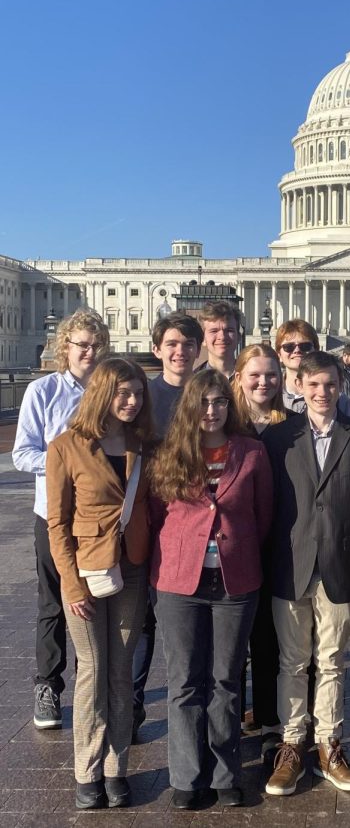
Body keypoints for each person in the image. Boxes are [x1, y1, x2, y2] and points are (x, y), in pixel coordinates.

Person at [262, 351, 350, 796]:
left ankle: (328, 744)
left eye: (329, 384)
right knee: (291, 661)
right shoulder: (278, 439)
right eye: (313, 384)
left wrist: (346, 543)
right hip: (289, 564)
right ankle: (293, 744)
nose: (321, 392)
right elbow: (269, 505)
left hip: (338, 564)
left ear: (340, 385)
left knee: (332, 660)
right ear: (298, 385)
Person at [150, 371, 272, 810]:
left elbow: (262, 517)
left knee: (225, 681)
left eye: (220, 401)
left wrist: (234, 550)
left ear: (229, 405)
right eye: (203, 401)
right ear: (190, 406)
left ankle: (225, 774)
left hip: (235, 580)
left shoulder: (253, 452)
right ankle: (187, 776)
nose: (212, 410)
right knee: (184, 681)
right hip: (179, 581)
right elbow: (156, 512)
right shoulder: (170, 452)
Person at [46, 357, 154, 810]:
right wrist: (69, 587)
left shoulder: (143, 445)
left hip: (131, 569)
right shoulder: (66, 447)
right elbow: (58, 524)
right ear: (102, 394)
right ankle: (86, 770)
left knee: (121, 672)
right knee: (92, 670)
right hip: (86, 573)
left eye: (136, 394)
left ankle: (116, 769)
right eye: (122, 393)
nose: (131, 402)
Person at [12, 308, 109, 731]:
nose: (88, 352)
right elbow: (22, 452)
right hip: (52, 514)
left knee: (102, 599)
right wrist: (65, 466)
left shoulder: (109, 392)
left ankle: (100, 682)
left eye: (95, 345)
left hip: (100, 518)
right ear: (64, 347)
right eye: (81, 345)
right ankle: (48, 685)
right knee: (53, 601)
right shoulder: (42, 391)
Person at [131, 311, 204, 741]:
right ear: (157, 349)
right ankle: (133, 706)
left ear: (199, 350)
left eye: (188, 344)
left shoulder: (210, 393)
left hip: (193, 523)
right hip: (148, 519)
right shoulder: (141, 394)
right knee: (142, 621)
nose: (180, 352)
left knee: (187, 625)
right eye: (172, 344)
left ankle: (192, 712)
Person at [231, 343, 286, 758]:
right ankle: (227, 719)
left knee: (268, 640)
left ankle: (270, 720)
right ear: (239, 378)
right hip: (234, 548)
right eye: (255, 375)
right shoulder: (223, 424)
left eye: (271, 375)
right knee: (230, 643)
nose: (263, 382)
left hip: (281, 546)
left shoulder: (293, 426)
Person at [274, 319, 320, 412]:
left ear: (316, 350)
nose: (297, 351)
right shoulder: (269, 395)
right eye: (288, 347)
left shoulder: (334, 398)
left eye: (305, 346)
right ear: (279, 355)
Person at [196, 301, 242, 378]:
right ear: (203, 339)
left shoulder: (252, 379)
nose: (222, 337)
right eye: (214, 331)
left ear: (239, 337)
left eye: (229, 330)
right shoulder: (193, 383)